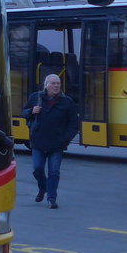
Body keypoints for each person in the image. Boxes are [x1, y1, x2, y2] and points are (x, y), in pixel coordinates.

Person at [23, 73, 79, 208]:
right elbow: (24, 112)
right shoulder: (35, 97)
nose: (56, 86)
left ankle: (51, 198)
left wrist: (66, 139)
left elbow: (74, 124)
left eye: (58, 83)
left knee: (54, 172)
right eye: (53, 83)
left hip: (57, 143)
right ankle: (43, 188)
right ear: (46, 85)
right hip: (38, 141)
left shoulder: (67, 101)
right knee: (37, 169)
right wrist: (31, 111)